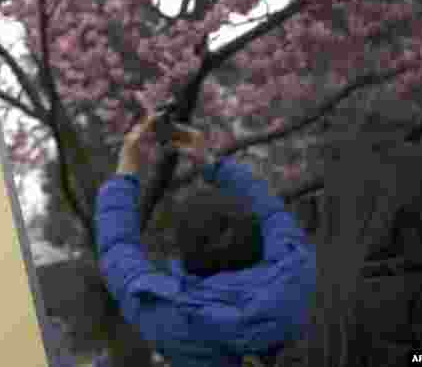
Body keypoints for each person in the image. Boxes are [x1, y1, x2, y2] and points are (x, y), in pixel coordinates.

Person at [94, 114, 317, 366]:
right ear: (255, 230)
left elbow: (117, 249)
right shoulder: (298, 269)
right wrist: (211, 162)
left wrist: (126, 168)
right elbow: (271, 211)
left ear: (184, 255)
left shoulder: (175, 320)